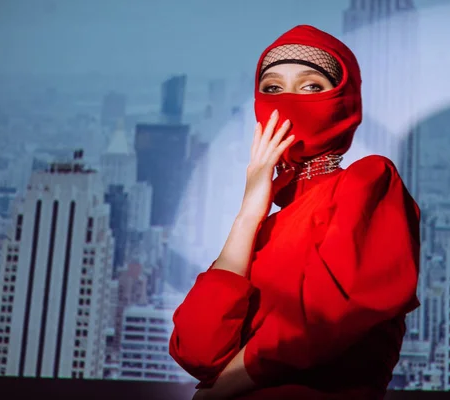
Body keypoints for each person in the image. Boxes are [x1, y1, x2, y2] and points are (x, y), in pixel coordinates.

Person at [169, 24, 421, 400]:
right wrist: (249, 212)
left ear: (345, 99)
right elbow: (198, 351)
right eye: (272, 88)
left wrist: (223, 388)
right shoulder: (263, 228)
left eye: (311, 86)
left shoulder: (369, 183)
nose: (288, 100)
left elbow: (324, 320)